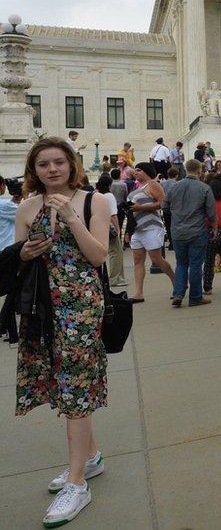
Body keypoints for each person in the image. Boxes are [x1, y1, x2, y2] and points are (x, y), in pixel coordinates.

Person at [14, 137, 109, 528]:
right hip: (42, 305)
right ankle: (90, 458)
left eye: (58, 162)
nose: (52, 170)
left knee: (74, 386)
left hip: (81, 306)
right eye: (43, 165)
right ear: (33, 171)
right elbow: (17, 256)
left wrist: (71, 217)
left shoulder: (94, 201)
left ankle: (76, 482)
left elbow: (99, 255)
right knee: (58, 380)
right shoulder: (26, 206)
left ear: (71, 164)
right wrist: (23, 252)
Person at [163, 158, 216, 308]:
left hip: (178, 230)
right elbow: (211, 213)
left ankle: (178, 293)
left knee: (181, 263)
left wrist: (177, 213)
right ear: (200, 171)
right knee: (195, 264)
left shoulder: (174, 187)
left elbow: (165, 207)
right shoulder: (204, 188)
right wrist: (214, 227)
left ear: (185, 170)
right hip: (197, 230)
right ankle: (195, 297)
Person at [126, 162, 175, 301]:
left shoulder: (153, 184)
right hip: (137, 228)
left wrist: (140, 207)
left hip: (151, 227)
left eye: (139, 170)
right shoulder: (137, 187)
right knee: (138, 260)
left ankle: (176, 281)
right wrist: (128, 230)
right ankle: (138, 293)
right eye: (135, 170)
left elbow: (162, 203)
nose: (135, 172)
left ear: (146, 171)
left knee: (156, 259)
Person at [96, 174, 127, 287]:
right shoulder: (109, 196)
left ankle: (118, 277)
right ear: (109, 185)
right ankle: (115, 278)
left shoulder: (97, 194)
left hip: (100, 226)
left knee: (112, 252)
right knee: (116, 252)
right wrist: (118, 228)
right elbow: (113, 214)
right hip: (110, 226)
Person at [0, 175, 17, 250]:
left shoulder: (4, 205)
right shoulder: (4, 205)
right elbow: (26, 214)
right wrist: (26, 196)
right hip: (6, 250)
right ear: (1, 185)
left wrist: (15, 200)